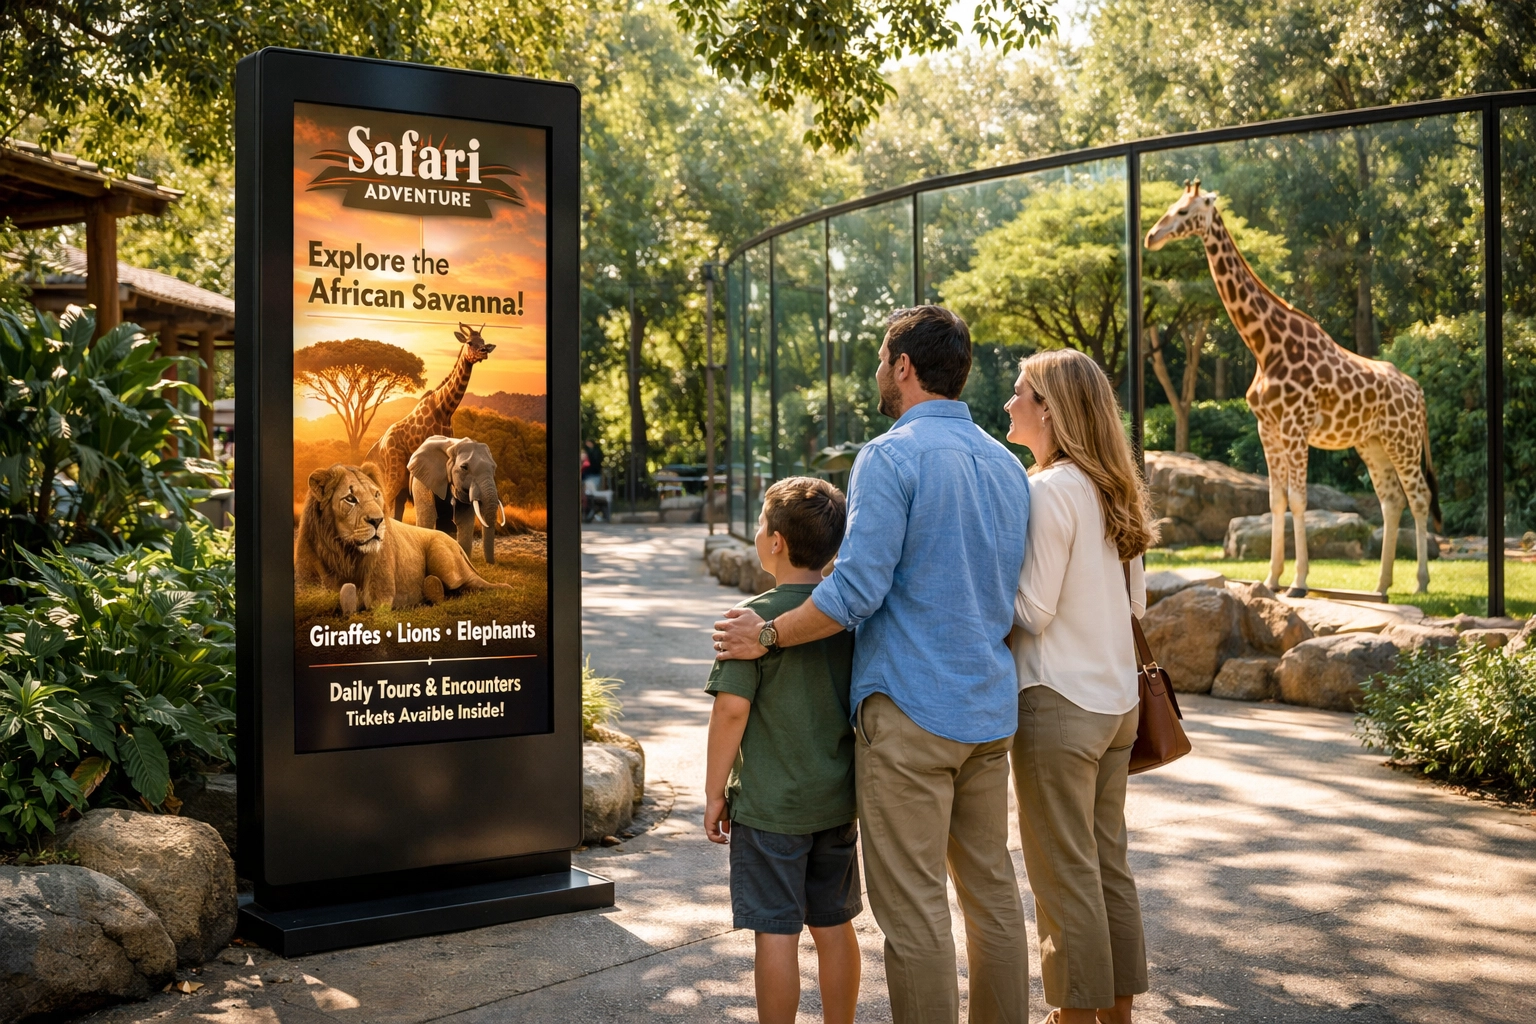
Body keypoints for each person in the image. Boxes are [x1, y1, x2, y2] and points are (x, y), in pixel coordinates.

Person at [715, 306, 1033, 1024]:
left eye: (883, 359)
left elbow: (854, 591)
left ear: (904, 367)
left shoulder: (890, 457)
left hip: (911, 718)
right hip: (988, 713)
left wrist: (764, 637)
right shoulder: (1007, 467)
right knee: (991, 897)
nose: (880, 373)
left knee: (915, 909)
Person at [1004, 349, 1157, 1024]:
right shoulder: (1111, 488)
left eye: (1019, 391)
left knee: (1063, 876)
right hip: (1117, 704)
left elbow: (1030, 611)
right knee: (1106, 867)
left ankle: (1072, 1016)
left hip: (1057, 706)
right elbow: (1138, 608)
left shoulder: (1047, 490)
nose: (1009, 402)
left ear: (1049, 409)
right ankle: (1115, 1014)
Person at [704, 476, 862, 1024]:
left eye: (761, 522)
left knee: (776, 931)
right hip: (835, 802)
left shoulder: (750, 621)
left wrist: (712, 793)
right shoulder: (840, 616)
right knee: (833, 925)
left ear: (775, 541)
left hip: (771, 810)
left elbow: (730, 710)